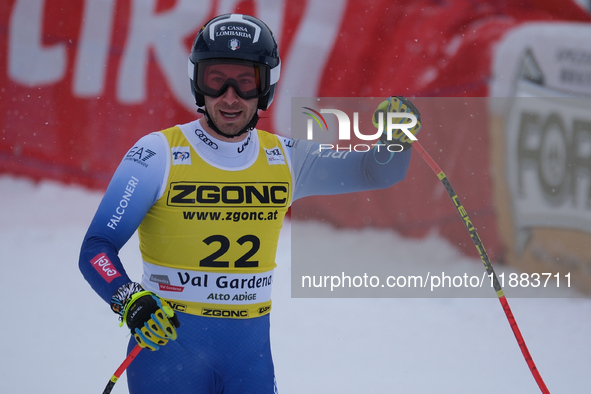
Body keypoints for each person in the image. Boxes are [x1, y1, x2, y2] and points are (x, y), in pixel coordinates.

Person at [79, 13, 421, 394]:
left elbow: (377, 172)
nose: (230, 97)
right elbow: (96, 249)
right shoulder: (158, 153)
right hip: (167, 355)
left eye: (245, 82)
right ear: (198, 83)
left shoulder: (286, 158)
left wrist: (396, 136)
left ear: (265, 87)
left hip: (249, 363)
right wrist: (131, 300)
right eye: (216, 79)